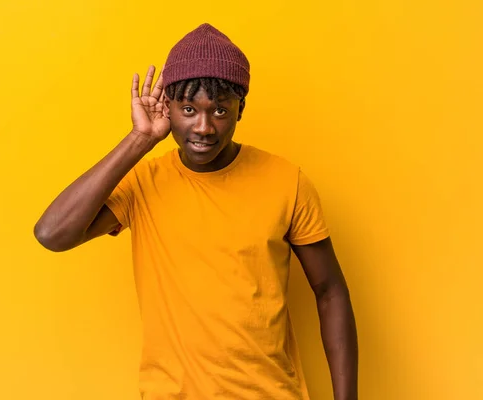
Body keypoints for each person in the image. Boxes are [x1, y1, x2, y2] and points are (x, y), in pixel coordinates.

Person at [34, 23, 358, 400]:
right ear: (167, 107)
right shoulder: (143, 183)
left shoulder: (288, 181)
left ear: (241, 109)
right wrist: (140, 139)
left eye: (220, 110)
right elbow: (52, 234)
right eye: (189, 109)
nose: (203, 127)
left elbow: (329, 290)